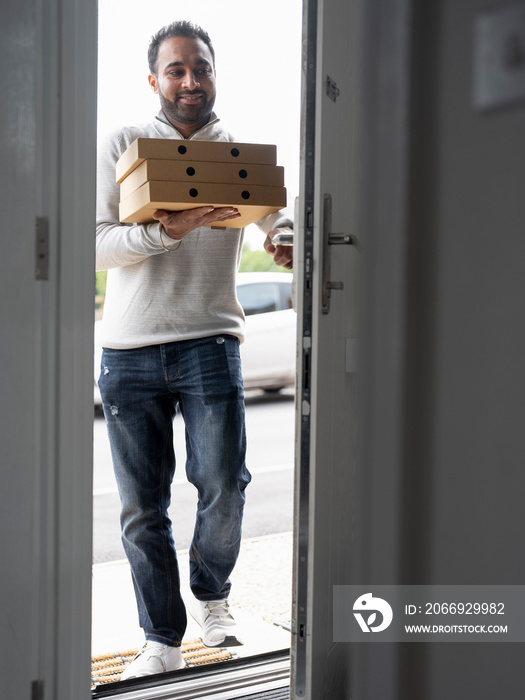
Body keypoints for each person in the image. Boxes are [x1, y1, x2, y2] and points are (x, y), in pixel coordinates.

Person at [96, 20, 293, 680]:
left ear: (213, 75)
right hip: (128, 351)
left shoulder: (235, 150)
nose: (189, 80)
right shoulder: (125, 143)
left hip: (210, 338)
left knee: (224, 486)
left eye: (200, 68)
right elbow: (93, 243)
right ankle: (161, 638)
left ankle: (212, 596)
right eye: (175, 70)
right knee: (140, 508)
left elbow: (278, 215)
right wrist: (166, 232)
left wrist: (285, 235)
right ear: (154, 80)